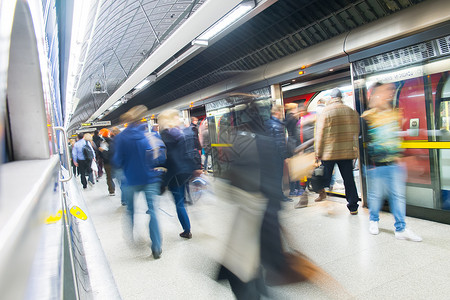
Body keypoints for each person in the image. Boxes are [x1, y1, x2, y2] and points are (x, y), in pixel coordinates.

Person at [362, 82, 422, 241]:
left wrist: (401, 157)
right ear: (376, 95)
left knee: (398, 196)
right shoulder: (369, 116)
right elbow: (366, 141)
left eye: (390, 92)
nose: (388, 95)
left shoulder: (394, 113)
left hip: (394, 163)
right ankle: (373, 220)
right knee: (376, 196)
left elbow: (395, 137)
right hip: (377, 165)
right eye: (384, 92)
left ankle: (401, 228)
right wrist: (369, 164)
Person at [113, 105, 163, 258]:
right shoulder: (149, 135)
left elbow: (117, 160)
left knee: (130, 210)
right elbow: (159, 157)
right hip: (150, 178)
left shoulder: (121, 138)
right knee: (153, 211)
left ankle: (132, 237)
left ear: (126, 122)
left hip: (131, 179)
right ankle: (156, 247)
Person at [315, 88, 360, 214]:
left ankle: (322, 194)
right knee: (348, 180)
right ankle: (353, 206)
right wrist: (355, 150)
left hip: (329, 153)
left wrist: (318, 153)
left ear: (331, 97)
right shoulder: (350, 111)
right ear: (341, 97)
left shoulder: (326, 111)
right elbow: (356, 132)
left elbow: (320, 134)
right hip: (346, 152)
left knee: (325, 177)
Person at [158, 109, 201, 239]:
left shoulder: (166, 135)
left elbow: (171, 158)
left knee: (179, 203)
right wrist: (195, 168)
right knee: (182, 199)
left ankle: (187, 230)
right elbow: (188, 152)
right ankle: (187, 228)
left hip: (175, 174)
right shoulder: (181, 132)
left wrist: (164, 181)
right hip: (185, 171)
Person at [266, 105, 292, 202]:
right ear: (277, 112)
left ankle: (277, 195)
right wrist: (285, 156)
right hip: (277, 156)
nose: (282, 114)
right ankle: (279, 196)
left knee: (276, 176)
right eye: (281, 112)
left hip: (272, 155)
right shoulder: (276, 125)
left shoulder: (270, 123)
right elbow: (280, 143)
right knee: (278, 176)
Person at [293, 104, 316, 208]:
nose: (299, 113)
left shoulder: (312, 119)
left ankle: (306, 198)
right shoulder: (299, 122)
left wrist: (303, 147)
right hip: (303, 151)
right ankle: (304, 199)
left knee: (312, 175)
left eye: (300, 111)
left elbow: (315, 136)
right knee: (303, 175)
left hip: (311, 150)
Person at [285, 103, 302, 197]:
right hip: (294, 144)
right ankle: (297, 189)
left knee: (292, 169)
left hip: (290, 144)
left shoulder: (287, 118)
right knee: (296, 168)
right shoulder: (293, 119)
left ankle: (293, 189)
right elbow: (297, 134)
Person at [98, 128, 115, 196]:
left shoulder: (103, 143)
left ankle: (111, 191)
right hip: (115, 161)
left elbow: (106, 154)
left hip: (107, 162)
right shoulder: (113, 141)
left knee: (109, 177)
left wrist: (102, 151)